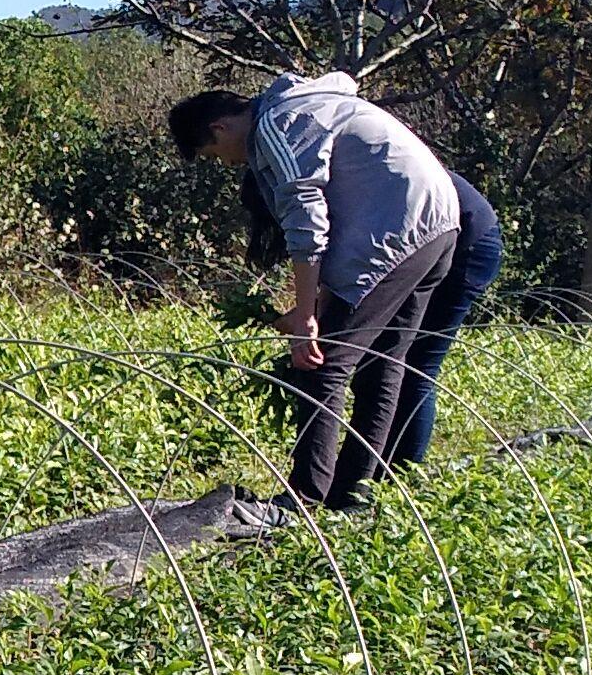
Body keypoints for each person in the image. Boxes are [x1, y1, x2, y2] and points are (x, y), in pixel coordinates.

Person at [169, 72, 461, 511]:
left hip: (396, 230)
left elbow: (306, 220)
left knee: (323, 362)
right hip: (439, 223)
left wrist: (307, 318)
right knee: (384, 362)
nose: (226, 164)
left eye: (213, 154)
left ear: (219, 128)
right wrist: (315, 302)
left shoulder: (277, 125)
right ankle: (352, 499)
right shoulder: (313, 104)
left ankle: (303, 501)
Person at [384, 168, 506, 473]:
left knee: (417, 364)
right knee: (397, 357)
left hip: (469, 245)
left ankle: (404, 472)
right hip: (452, 236)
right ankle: (387, 464)